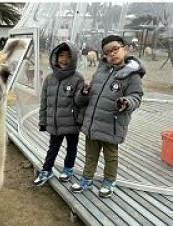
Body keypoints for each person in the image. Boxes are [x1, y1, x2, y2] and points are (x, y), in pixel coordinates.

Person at [72, 35, 145, 198]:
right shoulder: (100, 71)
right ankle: (86, 179)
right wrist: (84, 92)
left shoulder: (132, 75)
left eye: (115, 49)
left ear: (124, 48)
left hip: (112, 124)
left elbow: (136, 96)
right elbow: (89, 95)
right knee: (91, 155)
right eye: (107, 52)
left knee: (111, 157)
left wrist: (127, 102)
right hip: (92, 123)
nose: (111, 54)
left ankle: (109, 182)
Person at [34, 41, 84, 186]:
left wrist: (80, 120)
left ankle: (68, 169)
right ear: (55, 57)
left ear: (73, 58)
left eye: (68, 56)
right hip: (55, 123)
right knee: (53, 147)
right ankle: (46, 170)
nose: (64, 59)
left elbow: (81, 103)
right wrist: (43, 121)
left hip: (72, 123)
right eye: (61, 55)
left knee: (72, 147)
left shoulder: (77, 78)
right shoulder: (49, 79)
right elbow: (44, 102)